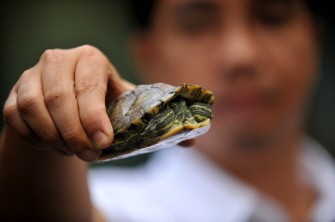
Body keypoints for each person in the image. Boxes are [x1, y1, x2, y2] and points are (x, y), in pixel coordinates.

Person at [1, 0, 335, 221]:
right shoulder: (120, 206)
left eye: (272, 18)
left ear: (315, 40)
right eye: (197, 24)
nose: (241, 55)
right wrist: (39, 131)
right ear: (148, 55)